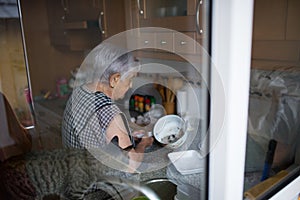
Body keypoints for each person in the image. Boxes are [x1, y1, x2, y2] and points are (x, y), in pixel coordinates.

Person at [62, 42, 153, 172]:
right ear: (115, 79)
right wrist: (143, 143)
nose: (131, 85)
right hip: (96, 188)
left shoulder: (79, 91)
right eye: (130, 79)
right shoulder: (110, 112)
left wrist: (125, 138)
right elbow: (130, 166)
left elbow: (94, 136)